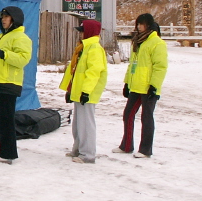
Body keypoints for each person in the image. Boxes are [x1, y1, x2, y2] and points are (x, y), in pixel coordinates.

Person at [0, 6, 32, 164]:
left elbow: (23, 59)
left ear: (14, 19)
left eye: (6, 17)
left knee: (6, 120)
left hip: (9, 83)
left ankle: (8, 154)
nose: (3, 20)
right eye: (2, 17)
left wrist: (4, 54)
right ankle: (4, 151)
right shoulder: (1, 37)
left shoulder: (21, 38)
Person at [114, 13, 168, 158]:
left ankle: (145, 150)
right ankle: (126, 145)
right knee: (128, 115)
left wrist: (154, 86)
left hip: (148, 87)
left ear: (148, 25)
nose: (138, 27)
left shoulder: (157, 43)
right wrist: (127, 83)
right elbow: (133, 65)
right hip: (136, 85)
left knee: (147, 117)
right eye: (137, 24)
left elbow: (160, 67)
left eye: (141, 24)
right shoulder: (137, 42)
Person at [59, 19, 108, 164]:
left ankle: (88, 154)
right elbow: (75, 71)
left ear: (89, 32)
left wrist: (86, 91)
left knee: (86, 123)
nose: (80, 34)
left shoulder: (94, 49)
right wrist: (70, 90)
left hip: (87, 92)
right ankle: (78, 149)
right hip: (80, 91)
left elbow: (94, 72)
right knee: (78, 123)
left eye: (82, 31)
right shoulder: (83, 48)